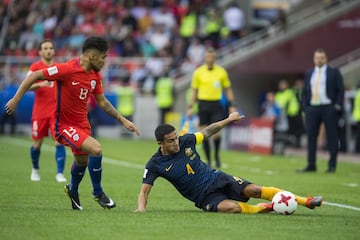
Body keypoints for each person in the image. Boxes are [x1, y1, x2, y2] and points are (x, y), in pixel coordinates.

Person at [5, 36, 140, 210]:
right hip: (64, 126)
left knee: (82, 161)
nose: (105, 61)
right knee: (96, 149)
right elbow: (36, 75)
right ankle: (97, 192)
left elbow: (103, 102)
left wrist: (123, 120)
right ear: (92, 57)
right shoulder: (67, 69)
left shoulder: (94, 76)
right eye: (103, 57)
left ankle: (73, 190)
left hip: (82, 125)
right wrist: (16, 99)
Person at [134, 112, 323, 213]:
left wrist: (229, 120)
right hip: (203, 198)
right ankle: (265, 208)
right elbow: (144, 191)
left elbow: (208, 131)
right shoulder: (155, 164)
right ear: (160, 143)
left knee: (255, 190)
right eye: (171, 140)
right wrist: (141, 209)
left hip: (217, 178)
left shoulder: (186, 141)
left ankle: (305, 201)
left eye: (176, 138)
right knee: (231, 208)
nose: (176, 142)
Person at [187, 47, 237, 169]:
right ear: (205, 58)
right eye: (208, 57)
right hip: (203, 105)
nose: (210, 59)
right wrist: (190, 107)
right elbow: (194, 90)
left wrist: (232, 105)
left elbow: (228, 88)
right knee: (203, 134)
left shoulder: (221, 72)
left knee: (217, 134)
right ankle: (209, 160)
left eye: (212, 57)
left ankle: (216, 156)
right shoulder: (198, 72)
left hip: (216, 105)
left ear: (215, 58)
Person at [26, 39, 67, 182]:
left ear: (54, 51)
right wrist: (40, 84)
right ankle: (35, 169)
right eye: (45, 48)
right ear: (40, 51)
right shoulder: (35, 67)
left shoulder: (59, 67)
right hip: (39, 112)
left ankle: (60, 173)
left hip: (56, 113)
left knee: (59, 142)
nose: (48, 50)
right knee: (37, 143)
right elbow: (26, 86)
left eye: (50, 48)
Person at [299, 48, 344, 173]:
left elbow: (340, 90)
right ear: (314, 58)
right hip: (313, 108)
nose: (319, 60)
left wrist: (337, 105)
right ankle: (311, 164)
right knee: (311, 136)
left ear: (326, 58)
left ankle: (332, 166)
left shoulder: (334, 72)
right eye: (317, 58)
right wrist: (306, 107)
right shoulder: (309, 73)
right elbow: (305, 91)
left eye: (321, 57)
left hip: (329, 107)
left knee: (332, 136)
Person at [352, 85, 360, 153]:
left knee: (358, 134)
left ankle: (356, 150)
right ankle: (357, 150)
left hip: (357, 116)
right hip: (359, 116)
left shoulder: (358, 92)